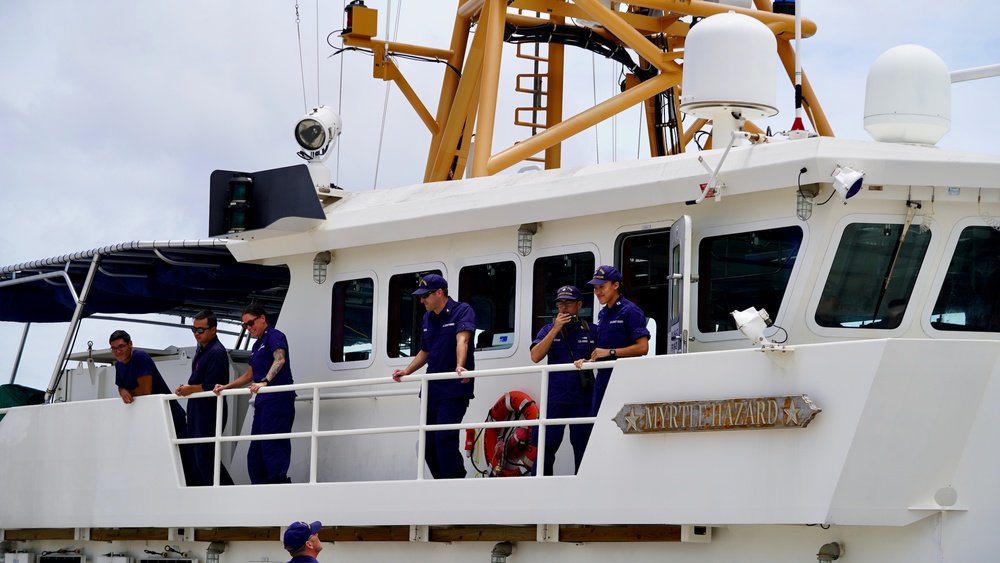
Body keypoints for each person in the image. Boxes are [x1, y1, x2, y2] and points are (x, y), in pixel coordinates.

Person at [391, 274, 476, 479]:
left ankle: (455, 485)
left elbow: (462, 341)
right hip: (431, 390)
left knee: (444, 439)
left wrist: (460, 366)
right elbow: (425, 351)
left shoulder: (462, 311)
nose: (422, 301)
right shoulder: (427, 317)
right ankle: (441, 485)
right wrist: (407, 371)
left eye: (425, 296)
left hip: (454, 389)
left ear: (439, 293)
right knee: (428, 444)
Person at [213, 304, 296, 484]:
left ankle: (278, 488)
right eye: (245, 326)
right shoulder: (257, 344)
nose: (249, 328)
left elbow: (280, 358)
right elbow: (249, 375)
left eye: (250, 324)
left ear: (262, 318)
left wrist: (265, 381)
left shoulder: (275, 336)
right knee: (256, 454)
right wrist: (227, 387)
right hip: (263, 403)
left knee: (273, 449)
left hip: (277, 400)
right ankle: (260, 490)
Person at [110, 329, 198, 485]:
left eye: (121, 347)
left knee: (185, 460)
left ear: (130, 344)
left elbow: (145, 390)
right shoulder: (119, 365)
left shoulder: (140, 358)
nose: (118, 351)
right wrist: (123, 391)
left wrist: (127, 392)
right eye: (114, 348)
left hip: (170, 416)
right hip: (153, 419)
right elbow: (120, 387)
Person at [529, 285, 595, 475]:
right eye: (560, 303)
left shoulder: (592, 331)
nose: (564, 307)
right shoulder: (548, 329)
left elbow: (604, 357)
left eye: (568, 302)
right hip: (555, 398)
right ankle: (540, 490)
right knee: (545, 448)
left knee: (584, 449)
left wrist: (589, 360)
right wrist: (556, 329)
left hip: (582, 399)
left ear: (579, 304)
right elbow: (535, 356)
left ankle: (583, 493)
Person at [575, 265, 650, 417]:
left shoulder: (630, 311)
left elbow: (643, 348)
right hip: (603, 379)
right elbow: (605, 350)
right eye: (595, 288)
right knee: (597, 424)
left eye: (602, 287)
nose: (597, 292)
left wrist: (610, 352)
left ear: (616, 285)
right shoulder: (603, 314)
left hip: (624, 379)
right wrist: (590, 360)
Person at [174, 310, 235, 486]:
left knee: (204, 454)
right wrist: (188, 390)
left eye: (201, 330)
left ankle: (225, 492)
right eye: (193, 329)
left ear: (213, 330)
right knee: (195, 454)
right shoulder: (203, 348)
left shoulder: (216, 352)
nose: (196, 334)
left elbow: (211, 385)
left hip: (209, 409)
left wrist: (189, 389)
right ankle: (203, 492)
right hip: (197, 407)